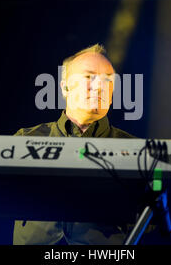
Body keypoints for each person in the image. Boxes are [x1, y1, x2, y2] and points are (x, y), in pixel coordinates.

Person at [13, 44, 136, 245]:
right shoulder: (25, 139)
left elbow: (155, 215)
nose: (99, 86)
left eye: (108, 79)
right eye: (89, 77)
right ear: (65, 88)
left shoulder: (135, 149)